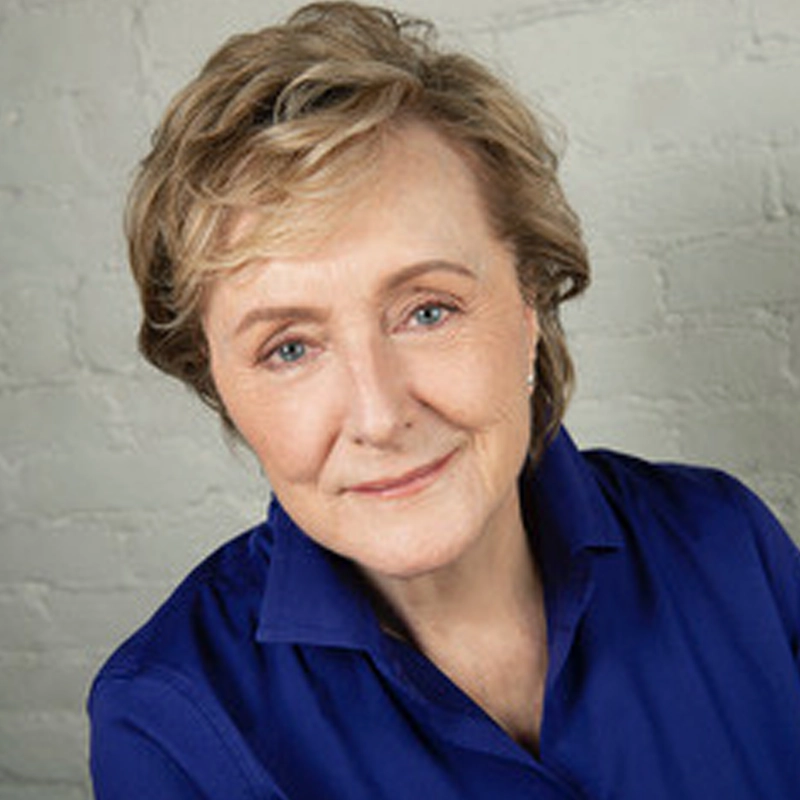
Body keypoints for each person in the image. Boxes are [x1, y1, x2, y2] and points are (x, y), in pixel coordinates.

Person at [88, 2, 800, 798]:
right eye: (289, 347)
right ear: (219, 382)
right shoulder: (169, 726)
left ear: (530, 301)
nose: (379, 414)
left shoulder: (729, 544)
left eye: (428, 310)